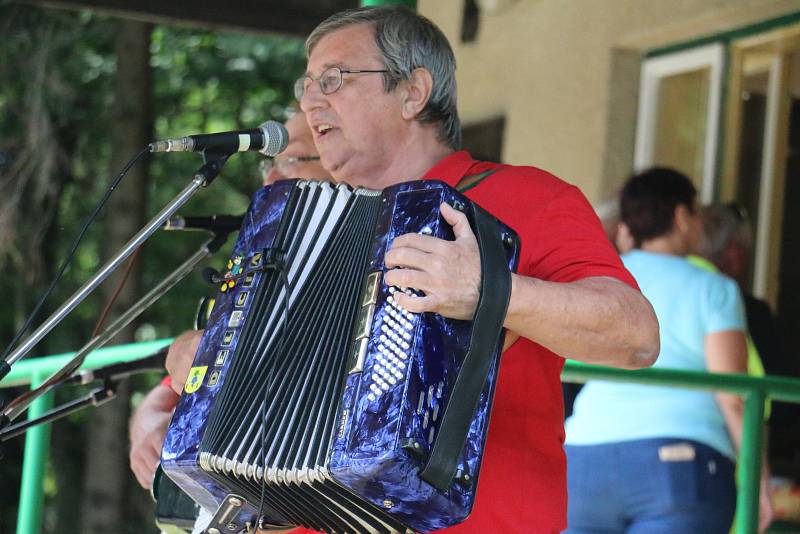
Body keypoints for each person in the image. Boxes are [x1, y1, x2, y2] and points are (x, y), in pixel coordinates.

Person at [165, 7, 659, 533]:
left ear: (413, 92)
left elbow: (636, 336)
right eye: (306, 85)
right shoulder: (297, 230)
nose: (310, 102)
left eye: (334, 78)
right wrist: (200, 367)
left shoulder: (526, 197)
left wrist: (492, 292)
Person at [128, 110, 329, 491]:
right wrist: (150, 428)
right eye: (268, 166)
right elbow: (162, 398)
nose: (270, 179)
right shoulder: (258, 273)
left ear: (340, 161)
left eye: (290, 160)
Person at [564, 167, 773, 533]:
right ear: (680, 217)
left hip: (583, 457)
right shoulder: (712, 288)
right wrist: (759, 478)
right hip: (678, 464)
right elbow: (732, 395)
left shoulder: (600, 281)